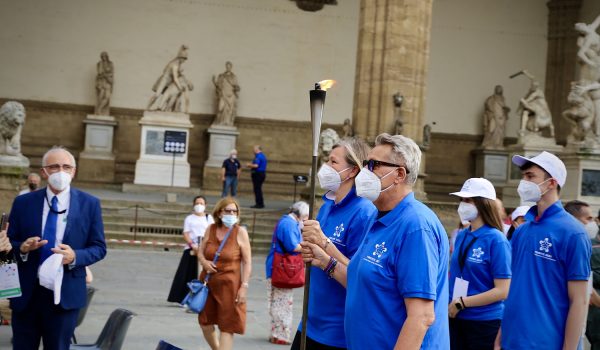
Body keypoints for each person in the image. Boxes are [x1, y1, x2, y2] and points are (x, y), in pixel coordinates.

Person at [302, 133, 450, 349]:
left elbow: (421, 317)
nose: (364, 172)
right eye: (365, 164)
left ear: (399, 174)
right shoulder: (377, 217)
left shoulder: (416, 227)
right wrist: (325, 259)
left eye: (373, 165)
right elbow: (361, 278)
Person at [7, 146, 107, 349]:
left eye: (66, 167)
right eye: (54, 167)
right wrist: (23, 249)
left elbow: (99, 247)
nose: (60, 172)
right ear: (44, 172)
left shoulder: (90, 204)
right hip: (27, 294)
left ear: (74, 172)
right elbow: (7, 246)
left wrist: (75, 256)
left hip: (64, 293)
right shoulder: (23, 203)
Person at [497, 151, 591, 350]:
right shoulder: (522, 231)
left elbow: (580, 301)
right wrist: (501, 333)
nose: (524, 182)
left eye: (530, 176)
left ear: (551, 183)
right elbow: (515, 288)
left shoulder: (573, 233)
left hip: (547, 342)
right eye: (523, 176)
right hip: (512, 340)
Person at [292, 138, 375, 349]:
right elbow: (316, 252)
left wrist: (325, 251)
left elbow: (358, 275)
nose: (326, 167)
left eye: (333, 162)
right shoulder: (327, 205)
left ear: (352, 171)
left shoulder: (364, 212)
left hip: (337, 332)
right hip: (310, 322)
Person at [448, 178, 511, 350]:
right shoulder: (462, 235)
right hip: (456, 318)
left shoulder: (496, 240)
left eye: (468, 200)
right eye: (461, 200)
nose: (462, 205)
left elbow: (503, 290)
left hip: (484, 322)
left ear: (483, 204)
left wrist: (463, 302)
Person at [197, 197, 251, 350]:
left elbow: (247, 262)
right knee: (205, 322)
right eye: (228, 211)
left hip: (230, 286)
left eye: (235, 211)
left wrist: (244, 286)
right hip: (207, 285)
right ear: (220, 213)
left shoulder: (240, 232)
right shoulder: (211, 229)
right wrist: (204, 262)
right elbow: (200, 252)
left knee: (227, 326)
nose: (232, 214)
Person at [265, 201, 309, 345]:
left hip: (277, 266)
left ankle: (276, 332)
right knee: (283, 303)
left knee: (278, 301)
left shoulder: (286, 222)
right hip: (282, 268)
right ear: (300, 215)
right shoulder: (289, 224)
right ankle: (281, 335)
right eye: (306, 217)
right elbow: (293, 246)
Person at [564, 201, 600, 349]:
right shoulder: (577, 244)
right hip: (568, 319)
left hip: (581, 323)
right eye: (588, 218)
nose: (591, 223)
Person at [167, 196, 214, 304]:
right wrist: (192, 245)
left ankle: (202, 299)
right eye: (197, 203)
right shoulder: (189, 218)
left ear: (205, 205)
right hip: (191, 248)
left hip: (205, 248)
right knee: (186, 274)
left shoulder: (208, 218)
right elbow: (186, 233)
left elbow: (211, 232)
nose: (199, 205)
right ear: (193, 205)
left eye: (201, 203)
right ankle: (182, 298)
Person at [212, 61, 240, 126]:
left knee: (229, 110)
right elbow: (218, 86)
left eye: (229, 66)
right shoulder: (222, 76)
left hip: (231, 95)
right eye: (227, 66)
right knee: (220, 108)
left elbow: (236, 86)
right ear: (225, 67)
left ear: (231, 67)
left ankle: (228, 122)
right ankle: (219, 122)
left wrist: (237, 89)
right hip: (223, 94)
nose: (228, 68)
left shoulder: (234, 77)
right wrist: (213, 81)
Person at [94, 51, 114, 116]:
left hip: (108, 82)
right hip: (101, 82)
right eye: (102, 56)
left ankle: (100, 108)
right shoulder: (99, 64)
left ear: (107, 56)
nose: (104, 57)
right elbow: (99, 74)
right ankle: (98, 110)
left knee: (107, 97)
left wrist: (106, 76)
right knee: (100, 96)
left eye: (105, 56)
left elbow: (112, 73)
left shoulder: (110, 63)